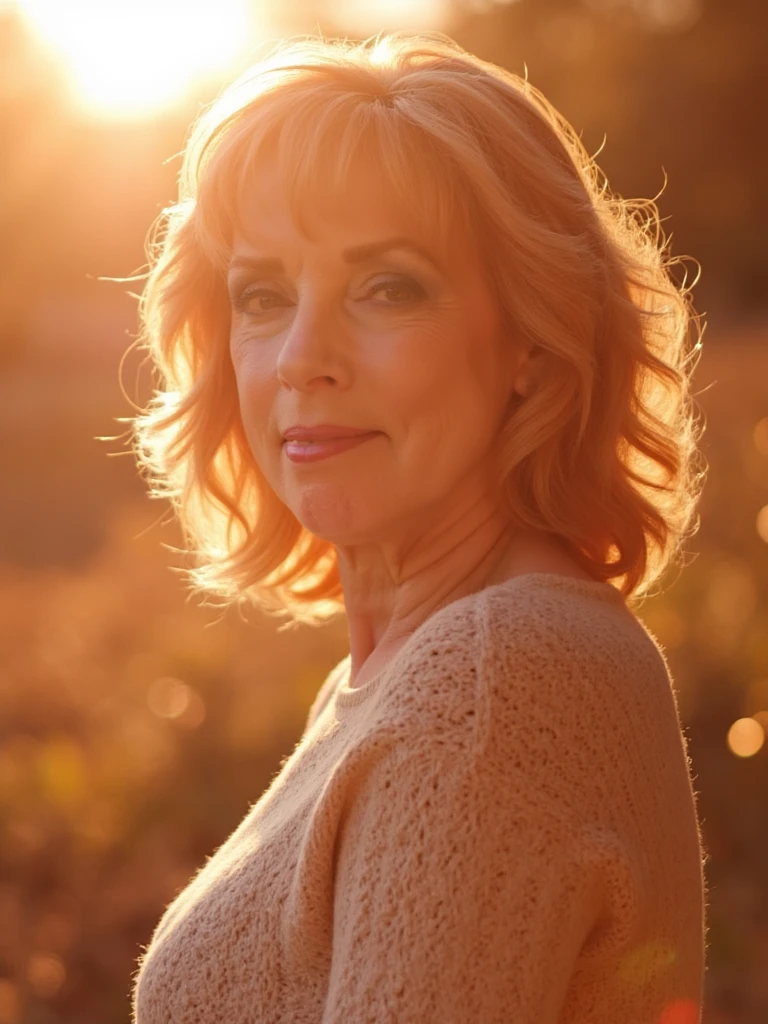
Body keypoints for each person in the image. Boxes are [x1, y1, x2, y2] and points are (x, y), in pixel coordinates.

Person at [129, 30, 708, 1024]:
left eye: (386, 286)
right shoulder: (423, 670)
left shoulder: (492, 682)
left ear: (530, 335)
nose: (304, 358)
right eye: (263, 295)